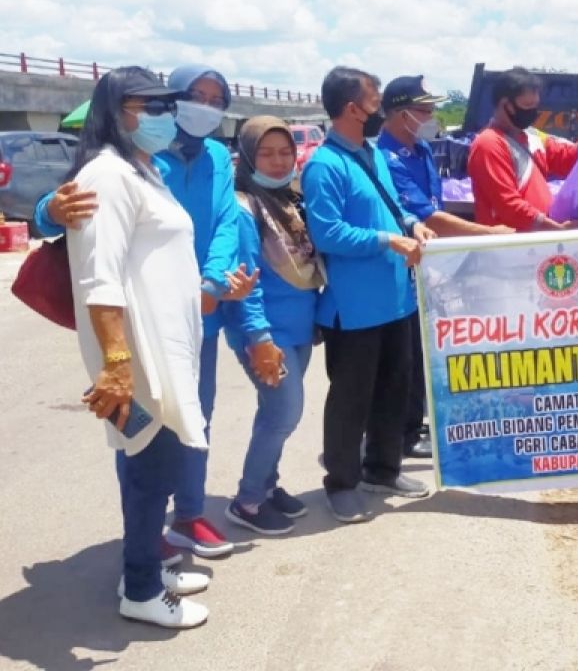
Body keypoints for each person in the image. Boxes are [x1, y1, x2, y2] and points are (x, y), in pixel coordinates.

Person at [37, 63, 254, 562]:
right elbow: (80, 204)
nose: (204, 106)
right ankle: (145, 540)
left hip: (199, 308)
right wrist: (50, 209)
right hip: (143, 319)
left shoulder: (216, 156)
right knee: (143, 431)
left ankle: (190, 513)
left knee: (193, 413)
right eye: (194, 95)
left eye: (217, 99)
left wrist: (213, 282)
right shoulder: (132, 157)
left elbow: (224, 221)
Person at [65, 67, 210, 628]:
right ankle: (143, 591)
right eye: (147, 106)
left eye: (164, 104)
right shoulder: (105, 175)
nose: (162, 115)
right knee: (151, 471)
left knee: (161, 465)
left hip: (167, 348)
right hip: (138, 356)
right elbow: (98, 279)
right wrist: (117, 365)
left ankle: (142, 566)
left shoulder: (143, 170)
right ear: (114, 109)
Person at [301, 66, 430, 524]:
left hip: (396, 299)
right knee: (350, 400)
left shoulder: (372, 154)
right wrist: (387, 240)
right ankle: (341, 482)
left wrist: (411, 225)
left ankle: (383, 468)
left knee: (394, 392)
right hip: (353, 310)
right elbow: (329, 233)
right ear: (352, 109)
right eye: (375, 102)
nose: (380, 110)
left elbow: (393, 208)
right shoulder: (324, 165)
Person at [378, 75, 514, 459]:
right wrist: (487, 232)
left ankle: (418, 420)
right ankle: (404, 432)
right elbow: (429, 217)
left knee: (425, 349)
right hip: (404, 266)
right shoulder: (387, 159)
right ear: (400, 113)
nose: (433, 116)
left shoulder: (420, 149)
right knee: (405, 355)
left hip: (433, 265)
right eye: (425, 110)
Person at [221, 116, 322, 535]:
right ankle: (246, 501)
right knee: (284, 413)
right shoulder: (245, 208)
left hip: (298, 329)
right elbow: (244, 282)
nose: (279, 161)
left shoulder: (288, 200)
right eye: (266, 152)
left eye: (285, 152)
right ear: (247, 155)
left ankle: (267, 485)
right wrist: (258, 336)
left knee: (276, 413)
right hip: (265, 332)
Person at [466, 67, 578, 231]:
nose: (533, 112)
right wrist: (553, 228)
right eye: (527, 105)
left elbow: (569, 161)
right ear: (506, 105)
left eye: (535, 106)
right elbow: (508, 204)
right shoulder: (488, 144)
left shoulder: (533, 137)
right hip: (510, 246)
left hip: (536, 242)